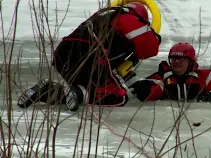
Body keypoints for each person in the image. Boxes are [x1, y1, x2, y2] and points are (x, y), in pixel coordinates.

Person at [17, 2, 161, 111]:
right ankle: (79, 93)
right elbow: (149, 48)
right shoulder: (129, 17)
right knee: (118, 97)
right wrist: (155, 36)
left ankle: (48, 91)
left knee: (82, 90)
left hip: (63, 53)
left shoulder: (103, 15)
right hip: (88, 54)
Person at [125, 42, 211, 102]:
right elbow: (146, 93)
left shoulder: (206, 76)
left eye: (181, 59)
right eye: (173, 59)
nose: (176, 62)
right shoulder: (160, 78)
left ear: (190, 61)